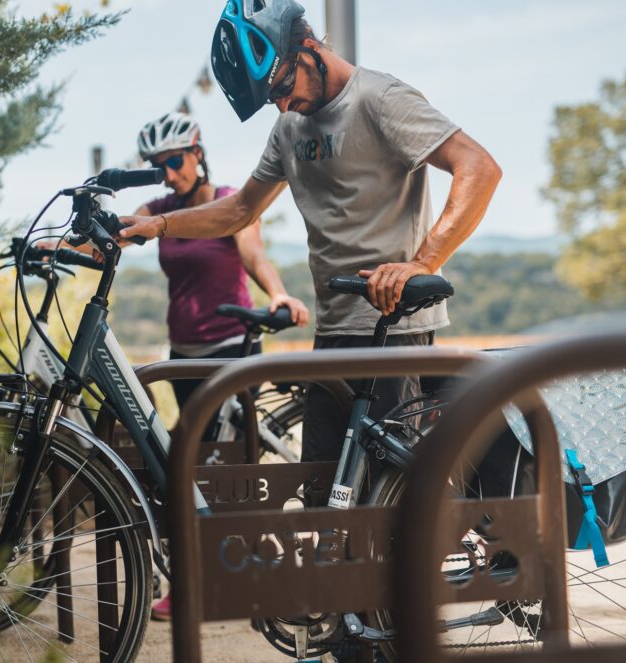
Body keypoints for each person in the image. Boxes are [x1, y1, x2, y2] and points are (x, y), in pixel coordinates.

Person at [120, 0, 501, 479]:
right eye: (269, 98)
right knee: (321, 487)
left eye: (280, 87)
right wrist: (159, 226)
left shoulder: (379, 98)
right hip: (334, 327)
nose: (280, 104)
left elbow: (479, 168)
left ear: (308, 50)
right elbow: (241, 209)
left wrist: (423, 263)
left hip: (393, 326)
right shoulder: (288, 127)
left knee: (383, 497)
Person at [132, 111, 308, 621]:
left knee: (222, 468)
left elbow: (253, 253)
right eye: (158, 165)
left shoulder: (228, 202)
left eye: (175, 161)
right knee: (192, 467)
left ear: (197, 152)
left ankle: (215, 579)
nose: (168, 173)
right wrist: (63, 246)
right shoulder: (158, 208)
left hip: (231, 348)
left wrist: (276, 292)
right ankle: (209, 575)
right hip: (183, 357)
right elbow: (116, 235)